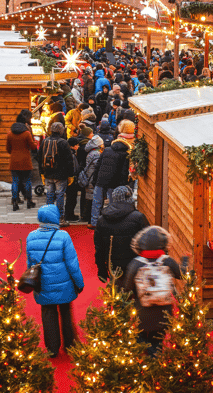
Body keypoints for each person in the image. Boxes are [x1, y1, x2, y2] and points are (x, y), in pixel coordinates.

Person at [26, 205, 85, 358]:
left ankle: (52, 348)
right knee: (65, 311)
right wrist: (79, 282)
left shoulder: (31, 237)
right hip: (64, 284)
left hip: (43, 284)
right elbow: (73, 264)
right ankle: (70, 344)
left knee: (48, 313)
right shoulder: (63, 236)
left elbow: (30, 264)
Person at [123, 225, 182, 355]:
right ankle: (155, 361)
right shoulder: (167, 261)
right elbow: (181, 275)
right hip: (164, 312)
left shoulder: (136, 263)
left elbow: (127, 288)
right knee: (158, 342)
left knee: (141, 339)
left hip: (142, 312)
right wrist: (184, 261)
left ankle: (148, 362)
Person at [94, 185, 149, 284]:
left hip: (114, 268)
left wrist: (101, 269)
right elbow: (148, 243)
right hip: (136, 267)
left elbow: (99, 248)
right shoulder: (138, 218)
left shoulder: (102, 220)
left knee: (116, 295)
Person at [90, 130, 132, 227]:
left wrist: (95, 180)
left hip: (100, 180)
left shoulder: (107, 150)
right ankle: (111, 222)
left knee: (97, 202)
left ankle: (94, 222)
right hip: (114, 182)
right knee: (113, 204)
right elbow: (123, 172)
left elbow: (98, 166)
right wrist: (123, 185)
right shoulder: (124, 155)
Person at [37, 122, 75, 226]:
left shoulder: (45, 141)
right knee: (60, 195)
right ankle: (60, 219)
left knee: (49, 195)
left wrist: (42, 173)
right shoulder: (63, 142)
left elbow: (39, 157)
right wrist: (71, 175)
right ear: (61, 131)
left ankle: (48, 218)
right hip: (61, 175)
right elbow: (69, 161)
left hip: (48, 173)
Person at [6, 114, 38, 211]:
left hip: (14, 161)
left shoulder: (9, 134)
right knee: (27, 181)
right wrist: (35, 143)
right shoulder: (27, 134)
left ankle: (15, 202)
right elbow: (32, 147)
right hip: (25, 161)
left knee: (15, 181)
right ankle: (29, 201)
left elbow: (8, 149)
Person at [81, 135, 104, 229]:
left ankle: (88, 218)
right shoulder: (97, 154)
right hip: (93, 180)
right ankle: (92, 221)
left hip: (89, 178)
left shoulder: (91, 152)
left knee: (90, 200)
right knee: (95, 201)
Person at [64, 137, 81, 222]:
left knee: (70, 198)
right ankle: (69, 215)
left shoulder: (67, 152)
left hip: (68, 177)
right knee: (72, 198)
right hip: (72, 178)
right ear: (73, 146)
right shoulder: (72, 154)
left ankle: (69, 214)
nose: (78, 146)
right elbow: (74, 167)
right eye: (77, 145)